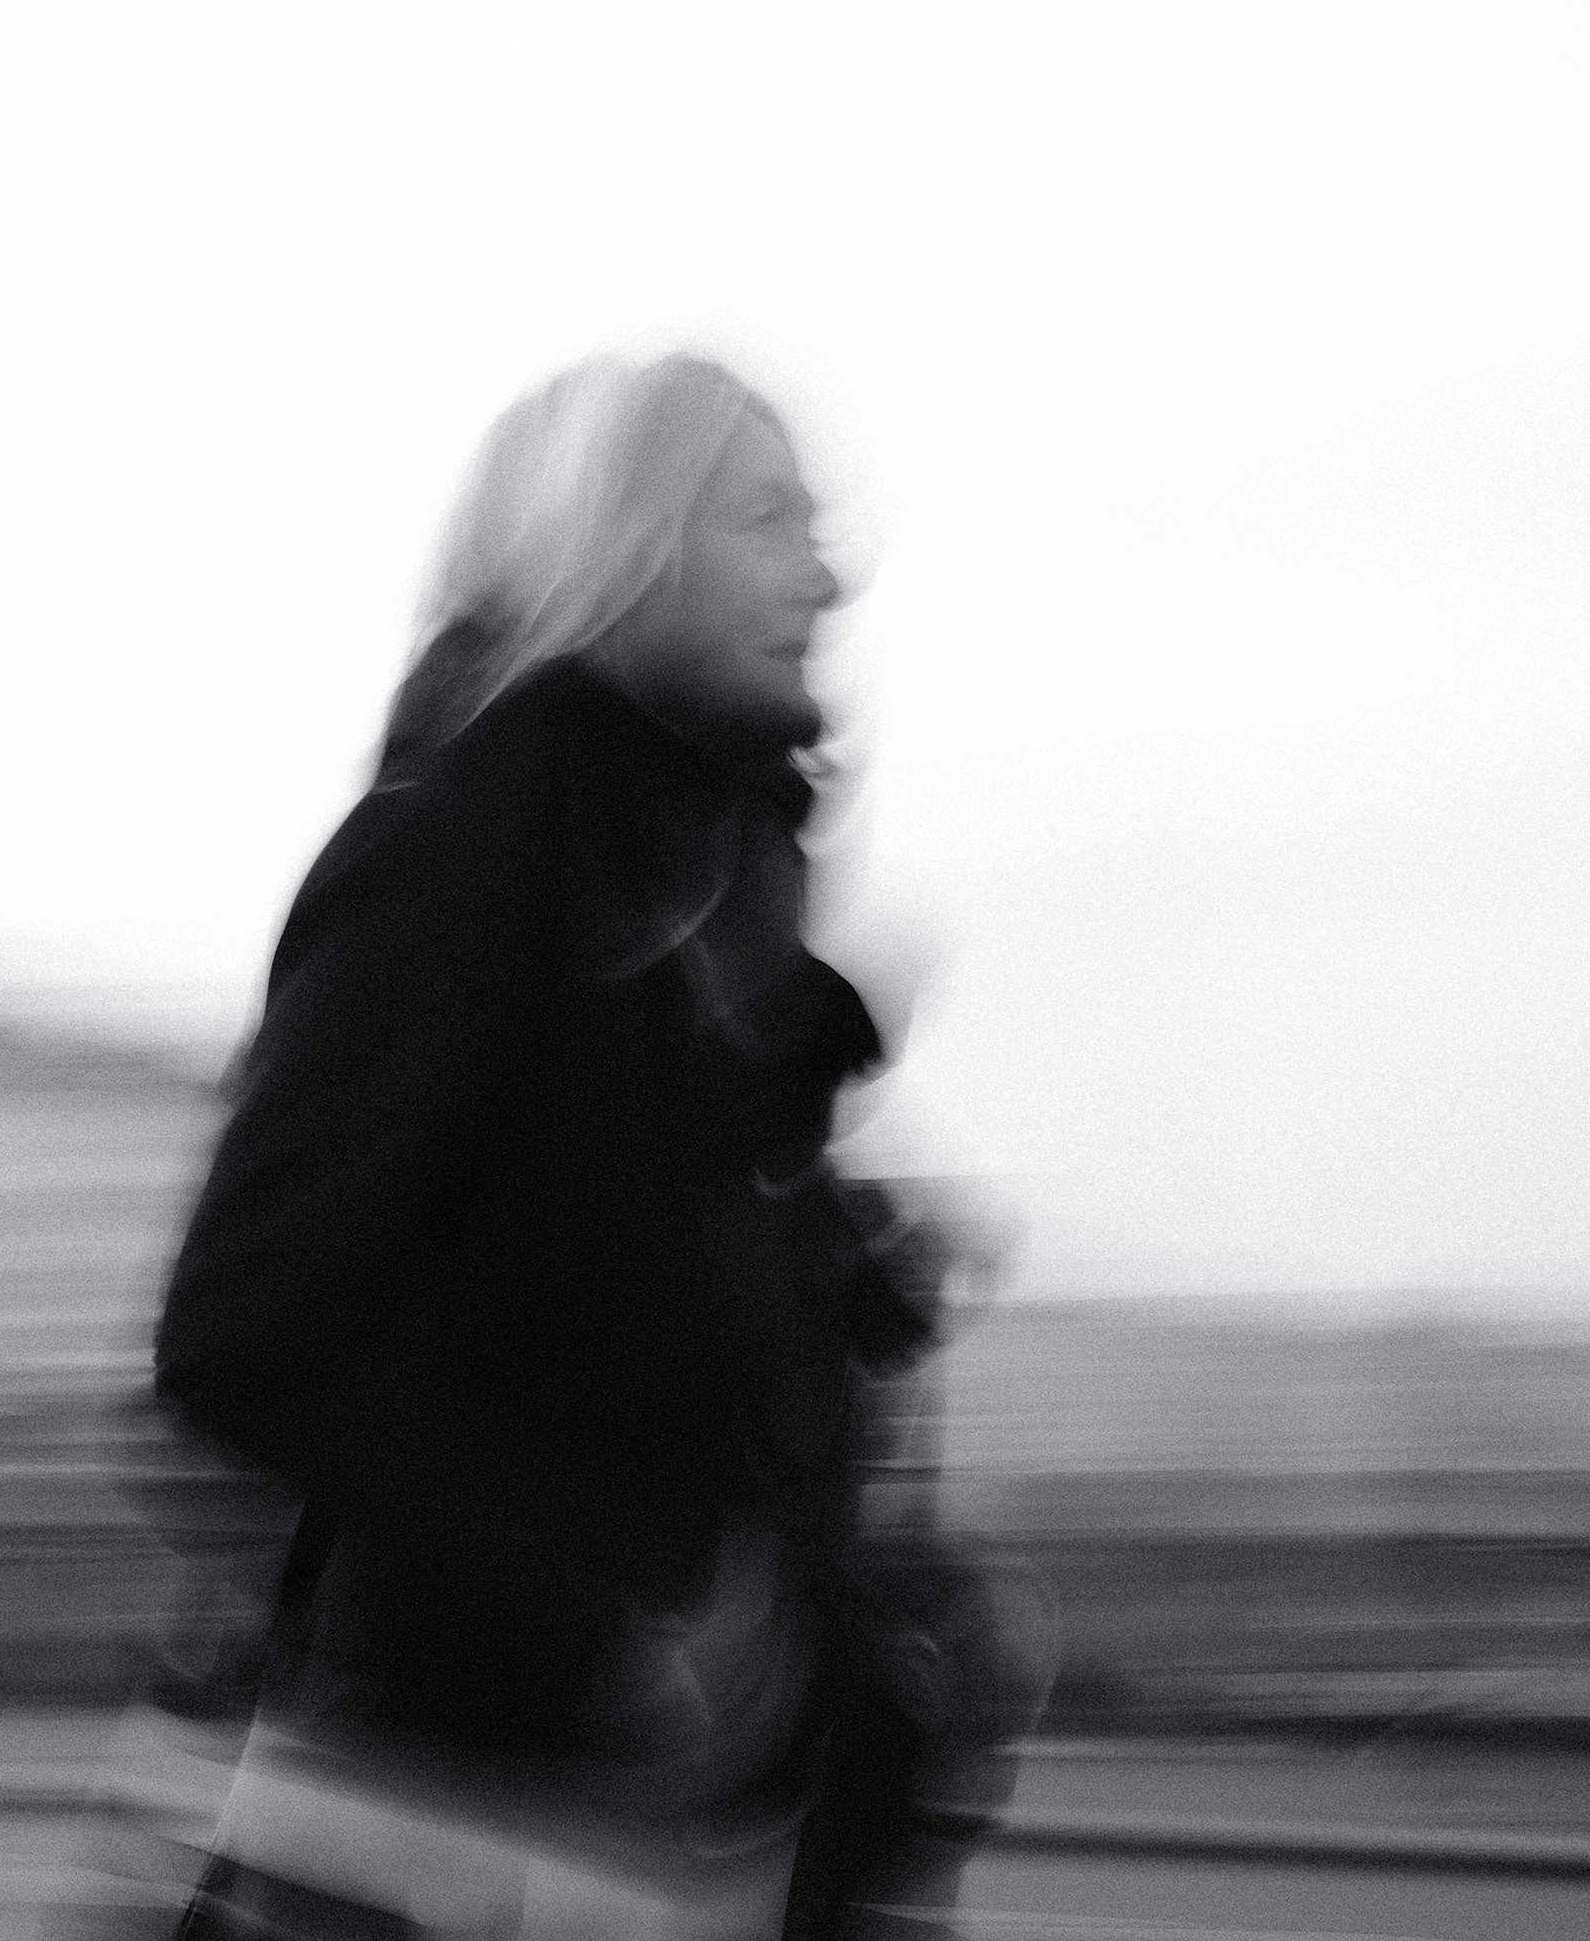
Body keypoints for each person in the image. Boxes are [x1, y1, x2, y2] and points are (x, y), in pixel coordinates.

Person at [154, 353, 1024, 1941]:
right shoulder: (458, 860)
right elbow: (243, 1337)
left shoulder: (686, 912)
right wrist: (608, 1617)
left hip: (659, 1837)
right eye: (766, 519)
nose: (827, 574)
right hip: (452, 1839)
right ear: (627, 549)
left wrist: (837, 1273)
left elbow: (585, 1292)